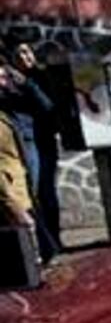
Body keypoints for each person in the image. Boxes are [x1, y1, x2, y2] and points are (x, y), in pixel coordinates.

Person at [0, 49, 56, 262]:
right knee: (21, 203)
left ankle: (43, 248)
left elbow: (46, 106)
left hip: (27, 145)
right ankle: (36, 251)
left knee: (35, 197)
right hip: (11, 158)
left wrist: (25, 83)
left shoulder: (21, 88)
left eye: (5, 76)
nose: (3, 80)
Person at [11, 40, 62, 251]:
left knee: (47, 192)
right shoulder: (11, 81)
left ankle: (54, 239)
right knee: (33, 192)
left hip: (45, 141)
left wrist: (27, 84)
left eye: (27, 51)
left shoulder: (41, 77)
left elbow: (49, 106)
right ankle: (44, 243)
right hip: (26, 140)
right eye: (19, 53)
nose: (25, 57)